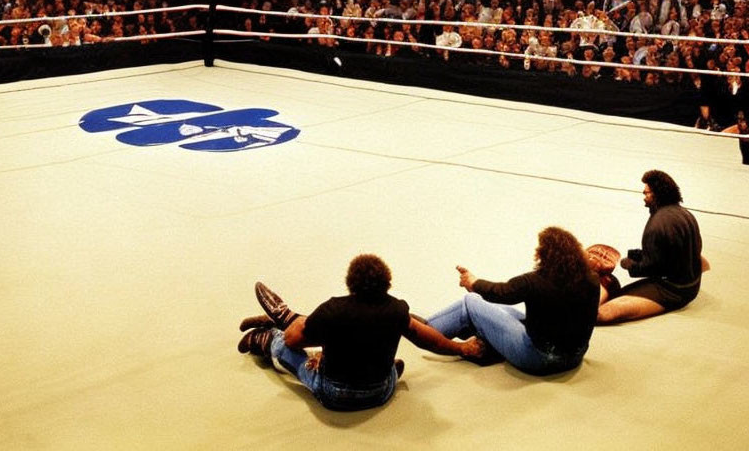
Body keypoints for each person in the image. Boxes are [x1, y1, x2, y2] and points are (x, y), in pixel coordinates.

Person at [237, 254, 483, 411]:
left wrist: (289, 333)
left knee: (284, 344)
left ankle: (268, 336)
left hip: (335, 394)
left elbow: (293, 340)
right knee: (368, 347)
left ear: (350, 282)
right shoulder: (397, 310)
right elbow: (427, 339)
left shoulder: (333, 310)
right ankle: (287, 320)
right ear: (387, 281)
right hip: (381, 390)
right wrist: (462, 348)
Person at [427, 226, 600, 375]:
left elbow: (500, 292)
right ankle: (483, 342)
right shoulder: (592, 280)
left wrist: (473, 282)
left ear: (544, 254)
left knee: (470, 301)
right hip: (573, 358)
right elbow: (500, 297)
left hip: (537, 359)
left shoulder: (533, 281)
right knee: (494, 308)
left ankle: (426, 330)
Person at [597, 170, 704, 324]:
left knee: (601, 314)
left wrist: (629, 264)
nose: (644, 199)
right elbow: (688, 251)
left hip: (672, 290)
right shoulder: (686, 214)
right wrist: (640, 254)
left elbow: (652, 269)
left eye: (646, 194)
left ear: (657, 194)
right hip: (691, 284)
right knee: (619, 295)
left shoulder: (656, 224)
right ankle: (609, 285)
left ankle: (607, 283)